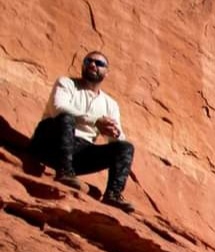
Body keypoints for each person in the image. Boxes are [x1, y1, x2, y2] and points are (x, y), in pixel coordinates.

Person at [31, 51, 137, 213]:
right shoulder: (66, 83)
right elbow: (59, 108)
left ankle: (113, 195)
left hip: (79, 154)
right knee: (66, 118)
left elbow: (116, 138)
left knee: (125, 147)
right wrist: (95, 121)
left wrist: (114, 133)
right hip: (49, 143)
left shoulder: (110, 104)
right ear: (83, 65)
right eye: (89, 61)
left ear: (106, 73)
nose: (93, 65)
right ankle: (65, 172)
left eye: (99, 63)